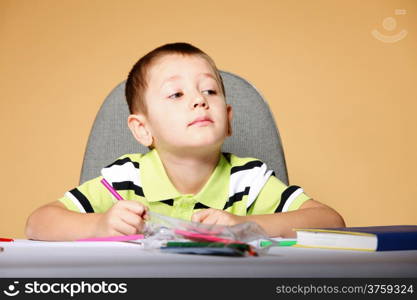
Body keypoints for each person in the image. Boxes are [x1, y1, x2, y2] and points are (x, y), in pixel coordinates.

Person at [25, 42, 345, 241]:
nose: (199, 100)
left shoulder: (249, 180)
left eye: (209, 90)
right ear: (142, 129)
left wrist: (246, 225)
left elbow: (331, 221)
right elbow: (38, 223)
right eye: (177, 94)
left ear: (229, 118)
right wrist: (99, 225)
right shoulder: (125, 178)